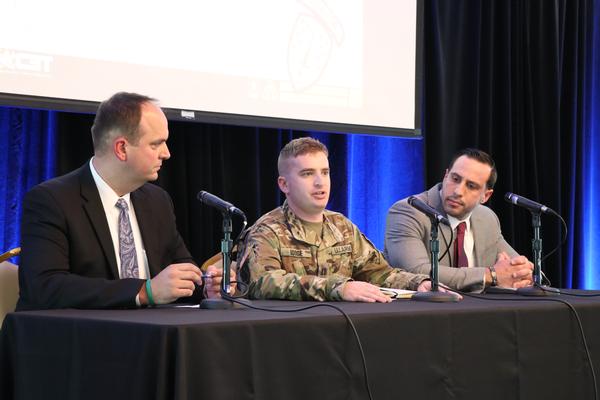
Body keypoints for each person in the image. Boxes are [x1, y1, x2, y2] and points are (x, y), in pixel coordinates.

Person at [17, 92, 233, 310]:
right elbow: (44, 286)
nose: (166, 153)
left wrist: (207, 286)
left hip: (149, 335)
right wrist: (143, 291)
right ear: (121, 148)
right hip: (77, 336)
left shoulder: (157, 201)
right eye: (156, 144)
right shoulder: (52, 200)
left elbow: (178, 273)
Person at [237, 137, 455, 302]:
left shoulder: (341, 225)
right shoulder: (267, 230)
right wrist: (338, 288)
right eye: (307, 174)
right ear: (284, 184)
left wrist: (419, 283)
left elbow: (377, 272)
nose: (320, 182)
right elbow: (261, 283)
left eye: (325, 172)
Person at [384, 148, 533, 292]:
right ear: (445, 176)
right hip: (422, 311)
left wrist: (523, 272)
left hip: (477, 311)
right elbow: (416, 271)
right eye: (455, 179)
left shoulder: (486, 218)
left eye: (471, 186)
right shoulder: (409, 211)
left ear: (485, 196)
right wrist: (490, 275)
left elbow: (515, 264)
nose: (458, 191)